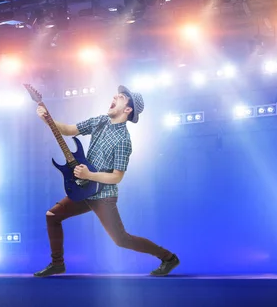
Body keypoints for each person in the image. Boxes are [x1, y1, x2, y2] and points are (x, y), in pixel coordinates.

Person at [33, 85, 180, 277]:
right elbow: (69, 130)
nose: (114, 97)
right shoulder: (101, 121)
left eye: (120, 97)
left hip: (103, 195)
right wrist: (47, 119)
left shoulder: (123, 140)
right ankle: (57, 263)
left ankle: (169, 258)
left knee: (121, 240)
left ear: (128, 110)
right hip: (84, 190)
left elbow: (117, 176)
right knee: (52, 215)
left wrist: (89, 175)